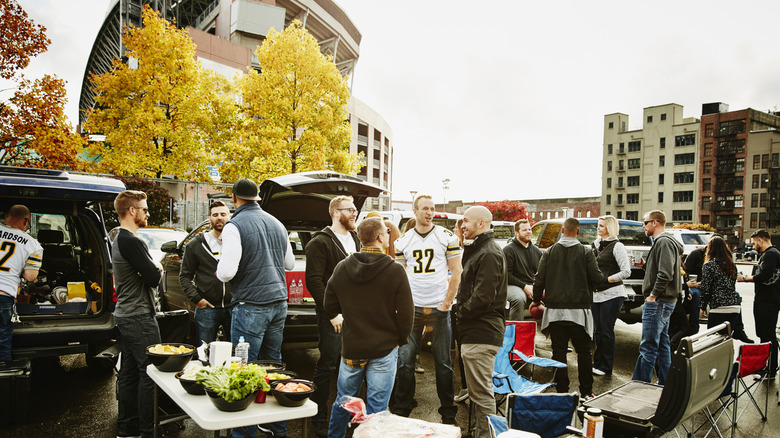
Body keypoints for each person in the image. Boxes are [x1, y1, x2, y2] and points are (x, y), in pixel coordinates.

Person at [216, 178, 295, 438]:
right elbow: (290, 264)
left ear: (234, 197)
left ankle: (244, 432)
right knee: (273, 366)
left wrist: (218, 269)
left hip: (251, 304)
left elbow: (227, 272)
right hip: (278, 303)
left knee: (245, 369)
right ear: (258, 197)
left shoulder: (234, 225)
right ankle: (277, 427)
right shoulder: (277, 223)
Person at [324, 218, 414, 438]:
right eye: (387, 232)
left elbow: (329, 304)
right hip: (383, 348)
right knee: (377, 410)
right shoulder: (395, 270)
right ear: (381, 238)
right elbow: (406, 313)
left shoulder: (343, 266)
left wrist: (345, 319)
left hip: (353, 347)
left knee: (345, 402)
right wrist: (400, 339)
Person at [392, 195, 461, 424]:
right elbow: (399, 277)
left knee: (442, 363)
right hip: (413, 308)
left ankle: (448, 413)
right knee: (405, 361)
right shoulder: (403, 241)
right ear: (415, 211)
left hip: (439, 307)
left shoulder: (446, 237)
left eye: (432, 209)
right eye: (425, 209)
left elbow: (456, 272)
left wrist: (446, 303)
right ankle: (402, 409)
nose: (429, 212)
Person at [305, 195, 361, 436]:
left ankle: (349, 413)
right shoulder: (321, 242)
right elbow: (314, 282)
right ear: (337, 212)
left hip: (355, 314)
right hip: (333, 315)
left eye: (355, 209)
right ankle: (318, 415)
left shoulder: (355, 239)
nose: (355, 213)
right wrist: (332, 312)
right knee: (328, 362)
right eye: (350, 210)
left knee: (352, 363)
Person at [112, 191, 163, 438]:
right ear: (132, 211)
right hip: (139, 316)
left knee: (130, 373)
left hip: (126, 314)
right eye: (144, 209)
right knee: (150, 372)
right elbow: (153, 277)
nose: (147, 213)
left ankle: (126, 429)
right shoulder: (132, 241)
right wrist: (159, 268)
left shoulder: (118, 238)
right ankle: (147, 431)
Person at [533, 217, 603, 398]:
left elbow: (539, 279)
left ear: (563, 231)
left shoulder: (549, 252)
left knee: (559, 352)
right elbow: (597, 278)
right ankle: (587, 391)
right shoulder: (586, 252)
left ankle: (562, 391)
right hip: (579, 312)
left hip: (555, 311)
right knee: (584, 353)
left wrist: (535, 300)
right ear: (578, 232)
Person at [456, 206, 507, 438]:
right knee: (479, 394)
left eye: (465, 221)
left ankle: (487, 435)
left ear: (480, 224)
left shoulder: (488, 253)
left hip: (481, 332)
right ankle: (481, 433)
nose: (462, 225)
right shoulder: (480, 249)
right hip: (477, 332)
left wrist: (459, 312)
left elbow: (483, 298)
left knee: (482, 395)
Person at [632, 210, 683, 385]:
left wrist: (652, 295)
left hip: (659, 301)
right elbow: (662, 272)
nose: (643, 226)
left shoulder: (663, 242)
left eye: (645, 223)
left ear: (655, 223)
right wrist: (646, 266)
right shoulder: (665, 242)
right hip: (664, 301)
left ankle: (639, 385)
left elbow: (666, 274)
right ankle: (665, 384)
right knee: (662, 345)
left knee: (648, 347)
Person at [179, 200, 233, 344]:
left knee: (236, 352)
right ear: (209, 218)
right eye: (215, 215)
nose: (219, 217)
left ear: (229, 217)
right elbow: (185, 276)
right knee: (205, 350)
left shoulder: (236, 242)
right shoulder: (195, 245)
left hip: (233, 307)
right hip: (207, 308)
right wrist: (197, 299)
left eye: (223, 214)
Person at [0, 205, 42, 361]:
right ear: (26, 221)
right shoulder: (33, 245)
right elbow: (30, 276)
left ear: (7, 217)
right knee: (3, 340)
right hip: (4, 296)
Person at [590, 215, 630, 377]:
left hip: (612, 294)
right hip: (596, 295)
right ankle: (597, 362)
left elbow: (626, 271)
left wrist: (607, 280)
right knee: (597, 331)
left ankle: (606, 366)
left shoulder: (617, 246)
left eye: (601, 226)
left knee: (606, 330)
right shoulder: (594, 245)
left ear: (610, 228)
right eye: (598, 225)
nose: (598, 228)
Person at [738, 229, 780, 377]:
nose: (753, 245)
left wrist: (744, 279)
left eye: (754, 242)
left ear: (760, 240)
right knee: (763, 335)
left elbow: (764, 275)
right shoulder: (766, 255)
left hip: (769, 301)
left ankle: (771, 369)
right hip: (764, 299)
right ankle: (766, 367)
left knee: (768, 336)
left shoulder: (771, 254)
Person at [700, 236, 754, 343]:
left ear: (710, 249)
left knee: (712, 340)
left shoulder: (709, 265)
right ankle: (738, 333)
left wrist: (703, 306)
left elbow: (706, 288)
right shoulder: (731, 265)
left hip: (718, 307)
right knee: (725, 338)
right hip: (734, 307)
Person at [502, 219, 542, 321]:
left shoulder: (537, 251)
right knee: (518, 299)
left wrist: (537, 287)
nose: (528, 231)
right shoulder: (508, 250)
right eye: (524, 230)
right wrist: (524, 286)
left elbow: (541, 274)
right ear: (516, 233)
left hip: (532, 285)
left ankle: (550, 332)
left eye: (529, 229)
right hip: (512, 285)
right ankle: (516, 330)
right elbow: (506, 275)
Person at [683, 246, 706, 335]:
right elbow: (686, 273)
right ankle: (694, 327)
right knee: (695, 295)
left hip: (709, 286)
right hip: (694, 285)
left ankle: (737, 329)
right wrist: (694, 283)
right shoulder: (696, 254)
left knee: (736, 295)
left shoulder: (719, 256)